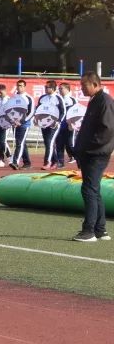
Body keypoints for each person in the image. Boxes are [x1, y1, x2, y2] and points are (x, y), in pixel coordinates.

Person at [71, 72, 113, 243]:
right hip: (92, 152)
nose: (81, 88)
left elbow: (107, 130)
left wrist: (88, 148)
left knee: (88, 190)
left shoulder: (104, 101)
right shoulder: (96, 100)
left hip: (96, 154)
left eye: (84, 85)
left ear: (95, 84)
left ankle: (89, 231)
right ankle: (100, 229)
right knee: (93, 190)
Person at [57, 82, 78, 166]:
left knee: (70, 143)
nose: (60, 90)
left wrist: (72, 123)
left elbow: (76, 112)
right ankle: (60, 162)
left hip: (69, 125)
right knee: (59, 144)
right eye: (59, 89)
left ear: (67, 89)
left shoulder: (72, 100)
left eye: (61, 88)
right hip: (59, 125)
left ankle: (75, 156)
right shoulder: (57, 99)